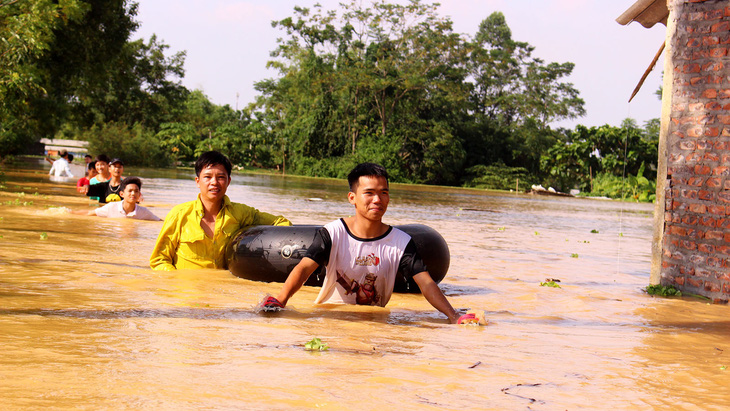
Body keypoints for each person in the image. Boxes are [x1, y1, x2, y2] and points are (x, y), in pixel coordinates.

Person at [262, 162, 474, 324]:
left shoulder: (401, 242)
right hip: (329, 319)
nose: (377, 200)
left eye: (384, 193)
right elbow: (303, 269)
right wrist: (280, 300)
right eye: (369, 193)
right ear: (352, 197)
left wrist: (454, 316)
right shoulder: (332, 233)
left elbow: (426, 283)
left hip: (375, 323)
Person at [150, 150, 292, 270]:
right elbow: (159, 260)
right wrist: (177, 286)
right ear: (197, 181)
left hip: (222, 293)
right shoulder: (179, 214)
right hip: (186, 295)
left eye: (221, 177)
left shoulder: (241, 213)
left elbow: (281, 222)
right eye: (207, 177)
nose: (214, 182)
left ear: (228, 181)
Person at [75, 177, 161, 221]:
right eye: (130, 191)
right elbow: (89, 213)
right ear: (122, 194)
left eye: (136, 191)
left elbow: (159, 221)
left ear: (139, 195)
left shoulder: (143, 212)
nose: (133, 194)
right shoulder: (111, 207)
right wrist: (69, 212)